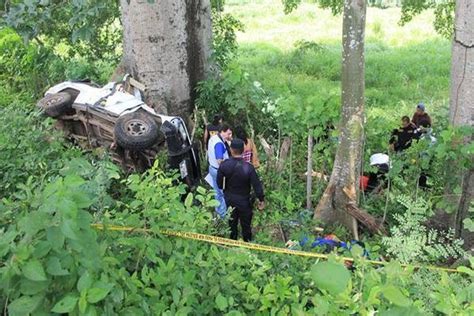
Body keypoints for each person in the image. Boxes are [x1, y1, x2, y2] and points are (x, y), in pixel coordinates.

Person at [217, 138, 265, 242]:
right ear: (243, 150)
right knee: (246, 224)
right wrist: (261, 200)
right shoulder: (248, 167)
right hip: (244, 200)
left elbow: (219, 184)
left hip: (230, 199)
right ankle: (247, 243)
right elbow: (257, 186)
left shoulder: (224, 165)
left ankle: (232, 242)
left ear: (231, 149)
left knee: (232, 222)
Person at [207, 124, 233, 218]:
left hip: (212, 168)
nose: (230, 136)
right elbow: (219, 160)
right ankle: (223, 215)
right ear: (222, 131)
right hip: (218, 171)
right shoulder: (219, 144)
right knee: (221, 192)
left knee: (216, 191)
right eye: (228, 134)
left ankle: (218, 211)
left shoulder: (213, 137)